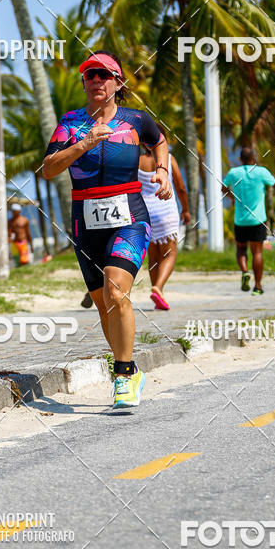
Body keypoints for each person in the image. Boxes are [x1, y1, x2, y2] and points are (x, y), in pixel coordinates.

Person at [42, 50, 172, 408]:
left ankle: (125, 373)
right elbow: (49, 168)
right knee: (104, 305)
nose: (96, 80)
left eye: (103, 74)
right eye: (89, 75)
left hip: (130, 215)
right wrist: (85, 143)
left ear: (118, 83)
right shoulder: (69, 124)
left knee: (117, 291)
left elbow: (159, 141)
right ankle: (125, 368)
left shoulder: (135, 120)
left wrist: (162, 170)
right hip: (85, 222)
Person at [222, 147, 275, 295]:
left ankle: (244, 272)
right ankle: (257, 286)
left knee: (241, 248)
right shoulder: (261, 172)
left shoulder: (233, 173)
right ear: (254, 157)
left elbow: (223, 188)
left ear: (240, 158)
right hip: (258, 220)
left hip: (240, 220)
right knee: (257, 253)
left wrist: (232, 197)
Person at [138, 134, 190, 310]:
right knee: (169, 253)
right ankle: (158, 288)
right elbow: (181, 187)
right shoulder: (168, 158)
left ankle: (158, 296)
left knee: (153, 257)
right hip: (166, 210)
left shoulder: (137, 161)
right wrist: (186, 209)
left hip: (146, 212)